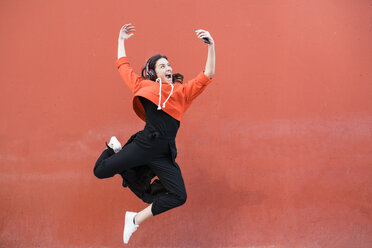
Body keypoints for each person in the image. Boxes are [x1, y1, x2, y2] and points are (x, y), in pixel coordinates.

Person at [93, 23, 215, 244]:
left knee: (179, 196)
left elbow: (207, 75)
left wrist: (211, 46)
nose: (168, 68)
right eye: (162, 66)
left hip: (162, 154)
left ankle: (135, 219)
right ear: (153, 72)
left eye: (169, 65)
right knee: (100, 171)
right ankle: (113, 150)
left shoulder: (182, 93)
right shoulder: (144, 87)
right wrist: (121, 40)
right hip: (143, 146)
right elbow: (123, 66)